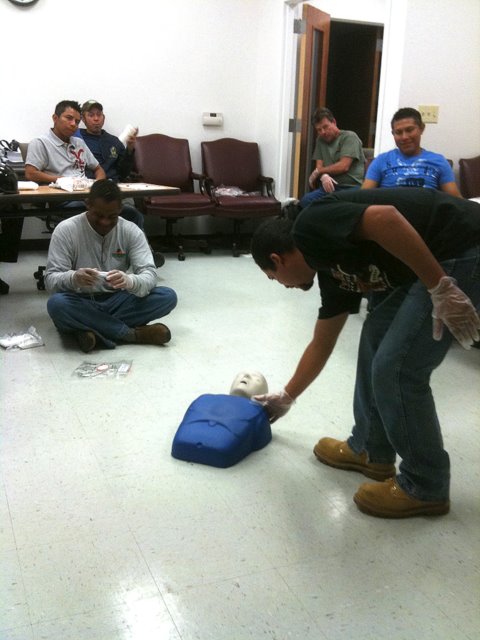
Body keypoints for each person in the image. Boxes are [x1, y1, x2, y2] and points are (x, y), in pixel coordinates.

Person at [250, 187, 480, 519]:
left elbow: (385, 217)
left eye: (274, 278)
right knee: (375, 335)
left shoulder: (310, 227)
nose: (283, 285)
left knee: (397, 368)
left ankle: (425, 484)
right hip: (430, 261)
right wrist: (286, 397)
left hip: (462, 245)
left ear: (277, 259)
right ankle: (371, 449)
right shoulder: (330, 270)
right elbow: (322, 343)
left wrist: (440, 286)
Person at [44, 179, 177, 353]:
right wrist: (73, 278)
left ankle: (88, 328)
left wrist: (130, 281)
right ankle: (131, 334)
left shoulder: (131, 231)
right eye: (98, 215)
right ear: (88, 204)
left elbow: (149, 274)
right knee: (57, 304)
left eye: (112, 217)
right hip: (80, 299)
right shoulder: (66, 230)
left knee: (167, 296)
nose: (105, 222)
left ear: (120, 209)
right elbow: (50, 279)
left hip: (117, 298)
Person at [172, 371, 272, 468]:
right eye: (239, 376)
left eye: (257, 379)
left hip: (189, 448)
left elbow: (260, 440)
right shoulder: (204, 399)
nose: (246, 376)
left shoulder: (259, 414)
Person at [362, 107, 462, 197]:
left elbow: (456, 201)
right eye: (398, 132)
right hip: (388, 210)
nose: (404, 137)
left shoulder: (439, 161)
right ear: (393, 134)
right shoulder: (381, 160)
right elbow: (363, 197)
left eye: (409, 130)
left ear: (422, 128)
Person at [299, 107, 365, 210]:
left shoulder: (350, 137)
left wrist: (319, 172)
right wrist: (324, 175)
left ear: (334, 122)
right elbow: (319, 166)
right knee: (305, 201)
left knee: (335, 206)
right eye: (319, 130)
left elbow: (343, 166)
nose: (323, 132)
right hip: (329, 188)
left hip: (350, 187)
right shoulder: (320, 140)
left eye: (325, 127)